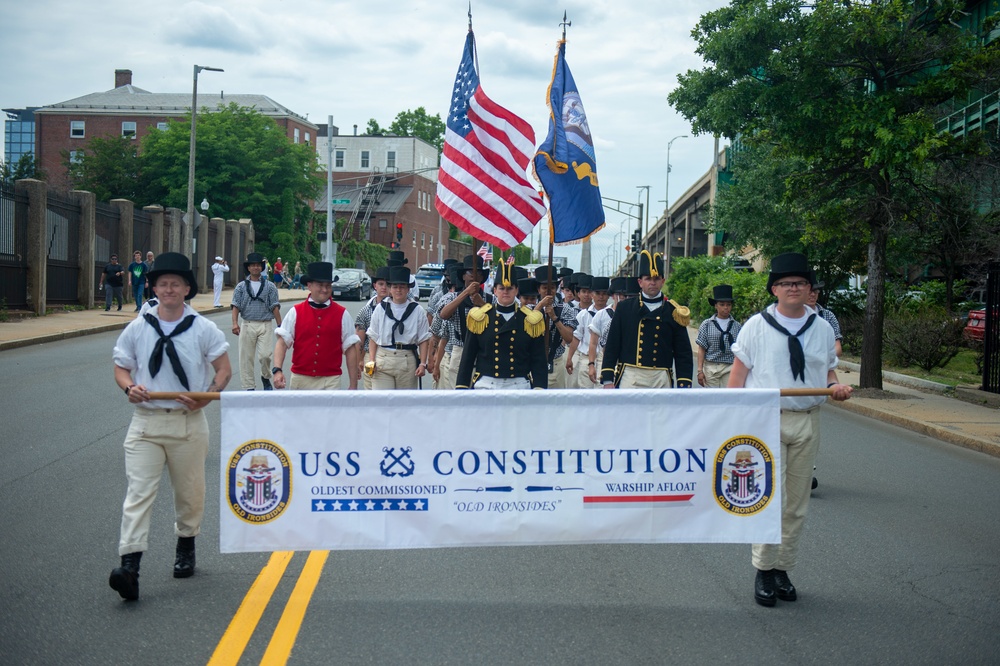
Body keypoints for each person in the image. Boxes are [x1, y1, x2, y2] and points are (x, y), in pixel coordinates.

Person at [727, 252, 852, 607]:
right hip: (765, 420)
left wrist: (835, 386)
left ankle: (783, 568)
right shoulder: (756, 326)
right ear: (774, 289)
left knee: (796, 504)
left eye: (800, 283)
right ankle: (764, 570)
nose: (793, 288)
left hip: (808, 419)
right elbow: (738, 375)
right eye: (785, 283)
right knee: (769, 499)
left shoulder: (823, 328)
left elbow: (827, 373)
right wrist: (734, 415)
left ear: (810, 289)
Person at [108, 252, 231, 601]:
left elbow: (223, 370)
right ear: (153, 287)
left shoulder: (204, 328)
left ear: (187, 288)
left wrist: (207, 396)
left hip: (188, 422)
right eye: (162, 283)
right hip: (145, 423)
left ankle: (186, 545)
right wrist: (128, 388)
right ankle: (129, 566)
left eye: (176, 283)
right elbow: (121, 368)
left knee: (189, 494)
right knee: (138, 494)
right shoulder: (138, 326)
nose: (169, 289)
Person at [601, 251, 694, 389]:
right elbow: (612, 345)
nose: (652, 282)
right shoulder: (624, 308)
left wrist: (684, 383)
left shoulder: (674, 312)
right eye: (648, 278)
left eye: (656, 278)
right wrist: (608, 378)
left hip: (660, 377)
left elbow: (683, 352)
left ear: (663, 281)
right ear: (640, 282)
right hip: (631, 376)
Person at [456, 261, 547, 389]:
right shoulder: (480, 318)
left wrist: (540, 388)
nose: (506, 292)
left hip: (518, 384)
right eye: (501, 288)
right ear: (495, 290)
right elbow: (468, 358)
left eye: (510, 288)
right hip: (486, 384)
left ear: (516, 290)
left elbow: (538, 360)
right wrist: (462, 387)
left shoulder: (530, 320)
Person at [272, 262, 360, 390]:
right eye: (320, 285)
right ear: (309, 286)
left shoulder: (342, 314)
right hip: (300, 379)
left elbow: (351, 349)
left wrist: (353, 385)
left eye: (328, 286)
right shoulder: (295, 312)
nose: (324, 290)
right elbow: (282, 343)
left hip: (330, 381)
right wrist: (277, 370)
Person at [367, 266, 432, 389]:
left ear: (408, 289)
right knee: (382, 402)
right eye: (395, 287)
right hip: (383, 359)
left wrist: (423, 363)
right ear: (390, 289)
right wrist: (371, 360)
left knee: (404, 405)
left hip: (407, 360)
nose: (398, 290)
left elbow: (423, 339)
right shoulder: (381, 308)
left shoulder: (417, 310)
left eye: (402, 287)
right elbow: (373, 337)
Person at [231, 252, 282, 391]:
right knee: (246, 358)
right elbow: (236, 305)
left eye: (258, 265)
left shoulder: (270, 286)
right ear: (248, 268)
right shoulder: (241, 287)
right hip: (247, 323)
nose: (255, 268)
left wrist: (280, 326)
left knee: (265, 355)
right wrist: (235, 323)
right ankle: (249, 387)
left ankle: (265, 376)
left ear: (262, 267)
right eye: (253, 265)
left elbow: (274, 306)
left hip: (265, 324)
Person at [533, 265, 577, 389]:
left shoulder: (566, 309)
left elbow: (569, 338)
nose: (548, 291)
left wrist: (554, 317)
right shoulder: (530, 308)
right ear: (538, 289)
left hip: (555, 363)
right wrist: (540, 306)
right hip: (534, 362)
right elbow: (527, 326)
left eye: (552, 288)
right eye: (544, 288)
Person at [696, 284, 743, 388]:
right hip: (711, 367)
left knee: (728, 398)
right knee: (711, 400)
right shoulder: (707, 324)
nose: (725, 308)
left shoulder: (737, 326)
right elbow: (701, 348)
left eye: (728, 304)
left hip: (730, 366)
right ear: (716, 305)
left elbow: (740, 350)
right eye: (722, 304)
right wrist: (700, 371)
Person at [355, 266, 391, 390]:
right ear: (375, 286)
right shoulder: (366, 310)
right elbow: (360, 339)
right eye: (380, 284)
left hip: (390, 354)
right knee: (370, 389)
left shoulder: (399, 309)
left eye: (387, 284)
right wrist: (359, 360)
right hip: (369, 355)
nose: (384, 287)